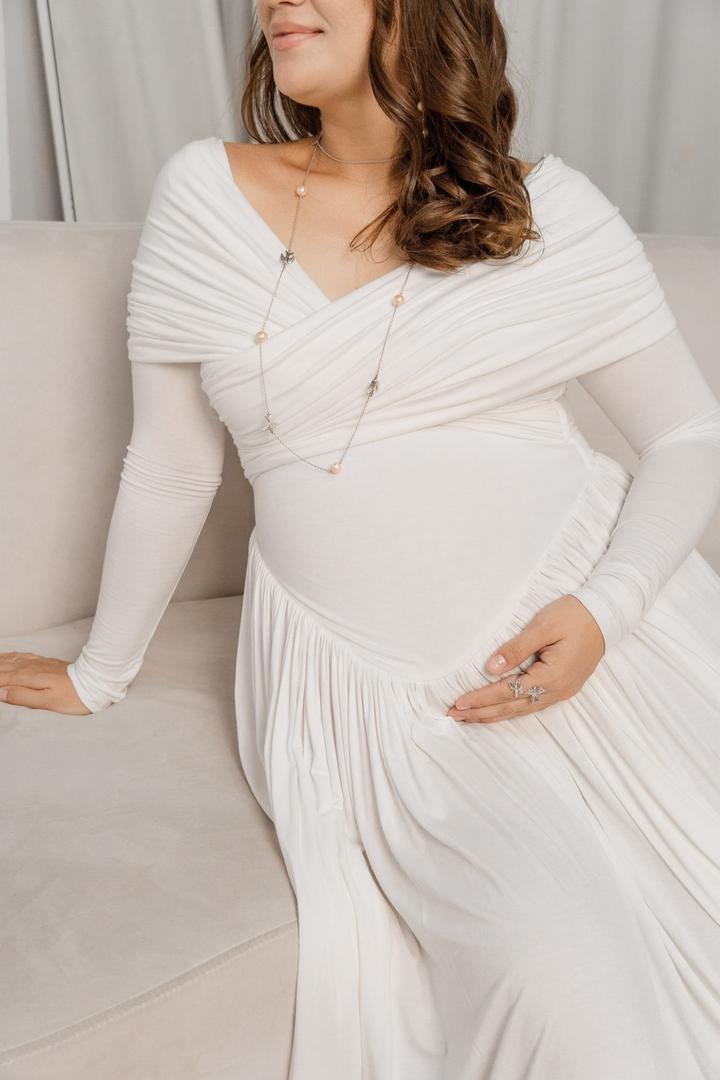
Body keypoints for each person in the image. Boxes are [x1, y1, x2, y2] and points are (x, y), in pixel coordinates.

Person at [2, 1, 720, 1076]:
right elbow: (175, 464)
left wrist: (605, 611)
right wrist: (100, 672)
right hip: (383, 692)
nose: (278, 0)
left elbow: (687, 432)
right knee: (566, 977)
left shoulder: (552, 212)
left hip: (608, 629)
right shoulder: (204, 191)